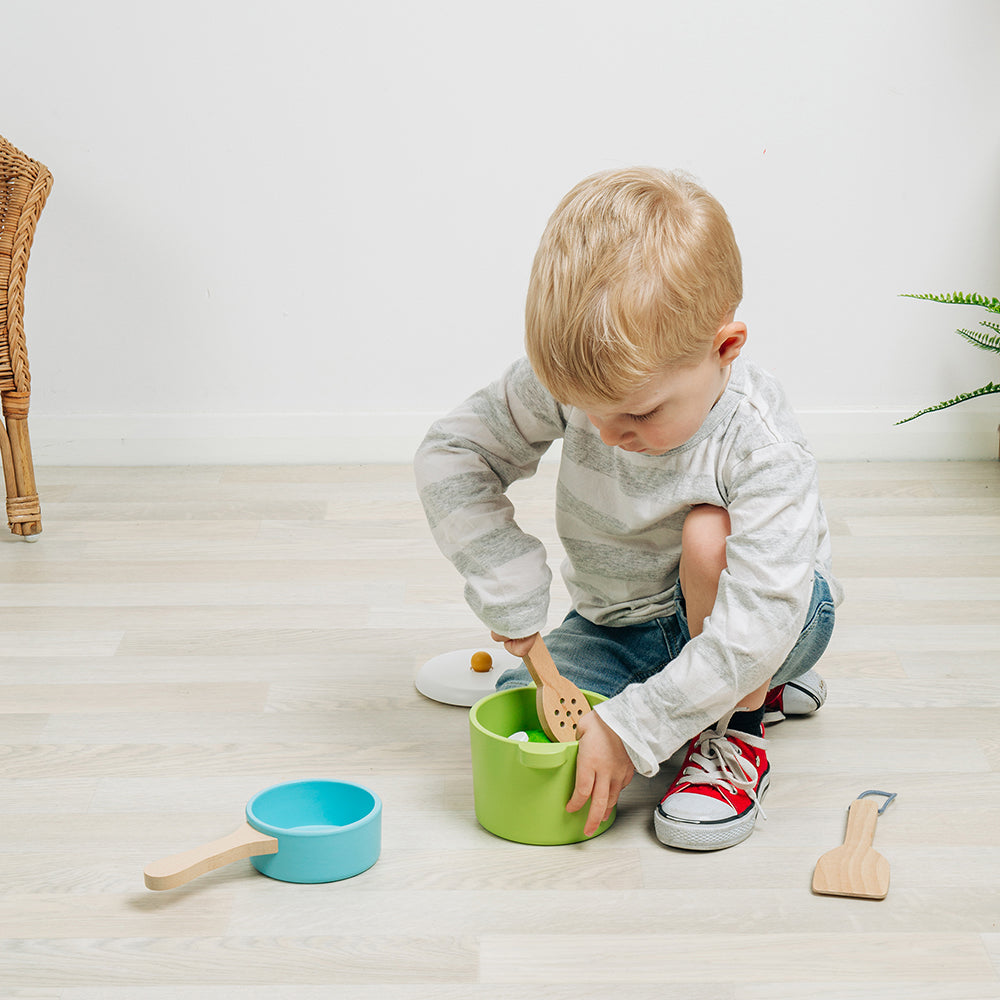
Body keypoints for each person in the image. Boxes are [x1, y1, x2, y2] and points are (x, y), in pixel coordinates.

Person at [414, 166, 842, 850]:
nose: (606, 434)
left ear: (724, 348)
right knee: (543, 715)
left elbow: (760, 618)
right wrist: (511, 585)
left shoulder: (762, 444)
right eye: (588, 409)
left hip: (772, 618)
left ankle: (739, 725)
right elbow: (451, 455)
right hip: (619, 624)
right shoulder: (591, 379)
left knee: (710, 540)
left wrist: (637, 728)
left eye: (638, 413)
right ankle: (707, 688)